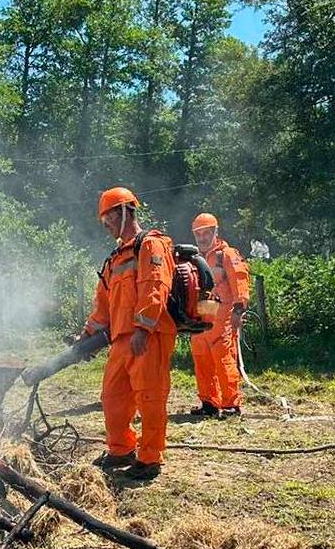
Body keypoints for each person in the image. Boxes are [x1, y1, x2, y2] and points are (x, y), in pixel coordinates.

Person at [80, 187, 177, 480]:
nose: (106, 224)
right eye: (102, 220)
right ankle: (121, 449)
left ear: (125, 211)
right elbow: (103, 306)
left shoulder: (150, 246)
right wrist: (86, 336)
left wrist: (143, 328)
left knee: (150, 398)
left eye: (108, 217)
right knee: (112, 397)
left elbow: (155, 287)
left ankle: (150, 458)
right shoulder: (114, 259)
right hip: (121, 341)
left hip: (148, 337)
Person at [188, 213, 251, 417]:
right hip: (203, 312)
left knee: (223, 357)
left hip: (223, 313)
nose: (203, 237)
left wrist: (238, 310)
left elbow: (240, 281)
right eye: (199, 234)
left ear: (216, 232)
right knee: (201, 356)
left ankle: (231, 404)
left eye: (206, 233)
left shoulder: (227, 255)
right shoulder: (196, 258)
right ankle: (209, 403)